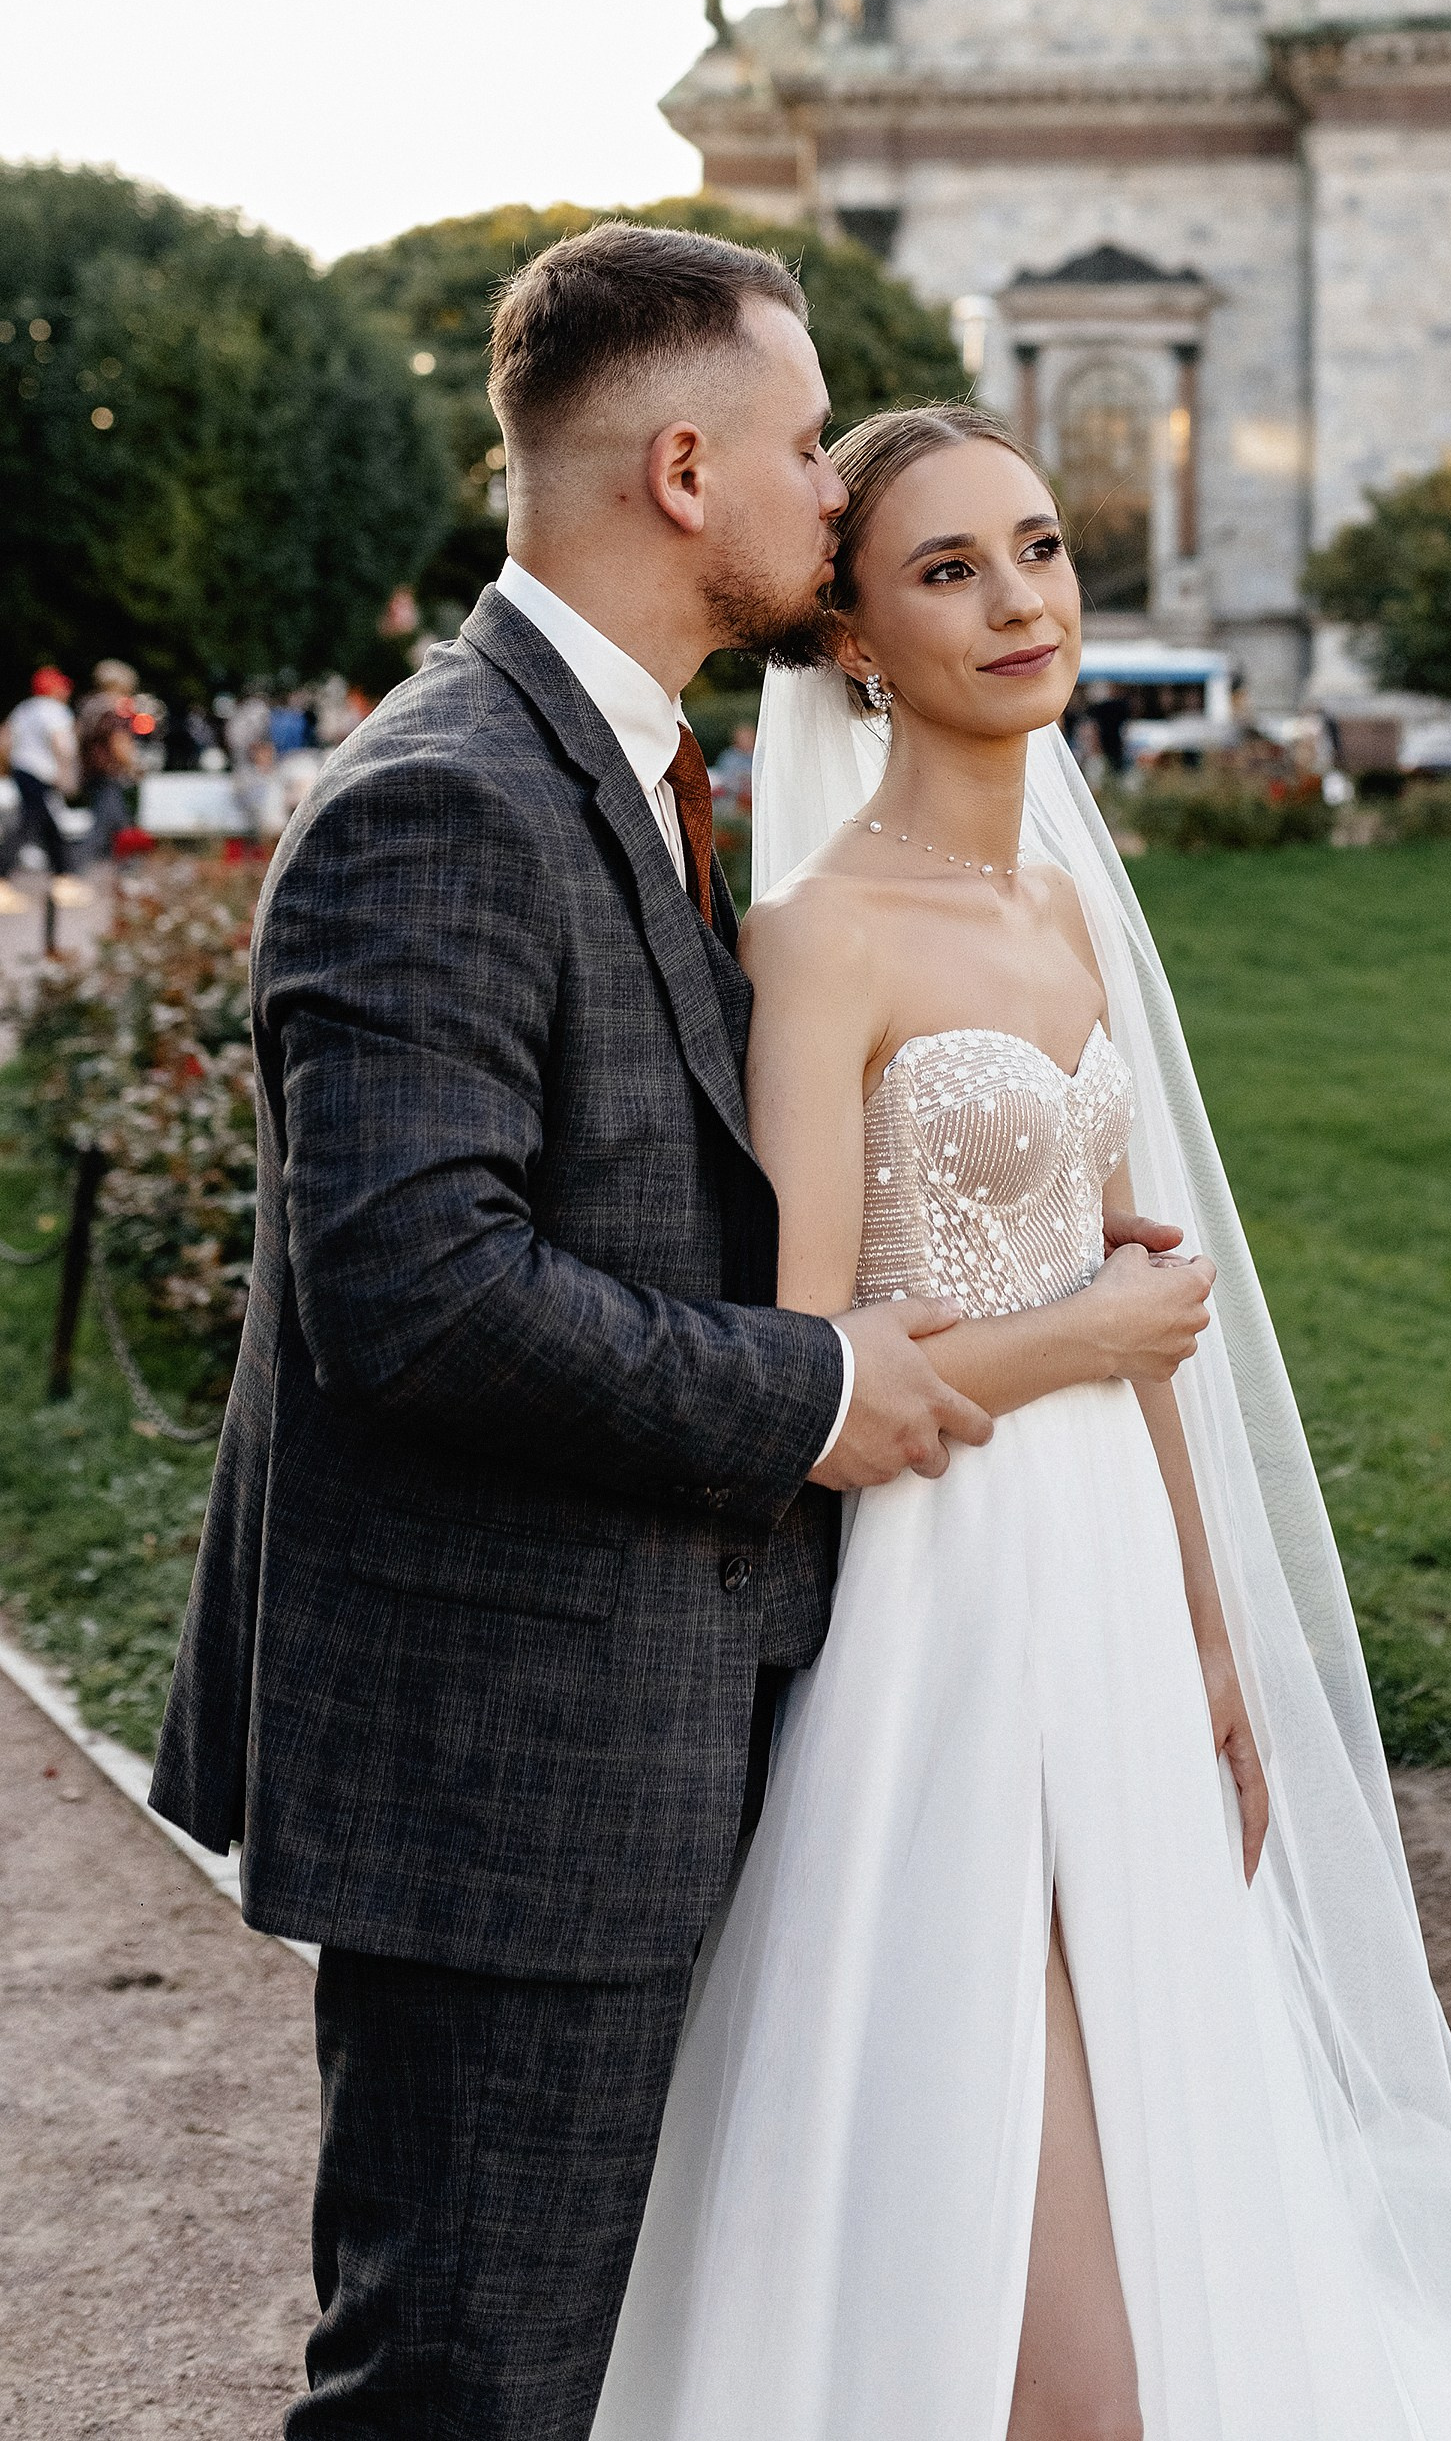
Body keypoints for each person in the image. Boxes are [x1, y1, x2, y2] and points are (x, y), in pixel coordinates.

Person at [148, 227, 1211, 2439]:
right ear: (687, 471)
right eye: (817, 447)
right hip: (501, 1763)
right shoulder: (444, 793)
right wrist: (824, 1389)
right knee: (461, 2385)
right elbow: (415, 1292)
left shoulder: (622, 769)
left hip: (649, 1715)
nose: (836, 494)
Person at [589, 407, 1451, 2441]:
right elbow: (801, 1368)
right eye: (947, 571)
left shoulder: (1065, 921)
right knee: (1026, 2269)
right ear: (855, 642)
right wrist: (1078, 1335)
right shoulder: (816, 934)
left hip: (1113, 1595)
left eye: (1042, 549)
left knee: (1165, 2145)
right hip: (948, 1614)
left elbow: (1144, 1310)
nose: (1020, 602)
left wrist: (1211, 1636)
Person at [5, 664, 86, 892]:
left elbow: (7, 739)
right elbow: (61, 745)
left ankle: (63, 874)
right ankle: (4, 876)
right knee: (31, 823)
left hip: (22, 770)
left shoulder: (25, 708)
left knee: (45, 824)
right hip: (42, 774)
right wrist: (67, 776)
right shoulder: (54, 710)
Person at [75, 659, 141, 858]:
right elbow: (118, 741)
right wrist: (134, 765)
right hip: (109, 771)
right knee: (105, 826)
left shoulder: (88, 706)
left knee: (117, 822)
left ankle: (124, 867)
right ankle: (79, 869)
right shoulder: (114, 709)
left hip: (91, 770)